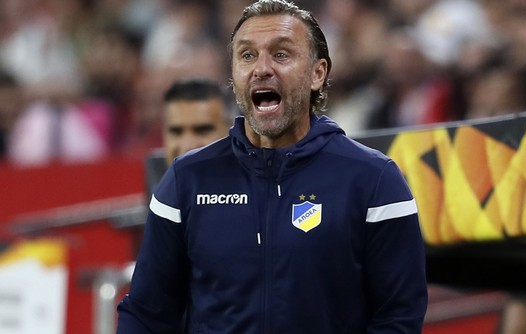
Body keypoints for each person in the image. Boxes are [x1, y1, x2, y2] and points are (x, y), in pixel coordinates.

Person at [117, 0, 427, 333]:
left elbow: (398, 318)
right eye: (247, 56)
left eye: (281, 54)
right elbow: (147, 313)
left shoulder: (375, 181)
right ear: (234, 75)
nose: (261, 68)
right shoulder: (185, 180)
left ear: (317, 73)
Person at [144, 78, 234, 194]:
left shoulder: (260, 206)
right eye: (176, 131)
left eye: (202, 130)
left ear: (233, 130)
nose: (187, 145)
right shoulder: (151, 211)